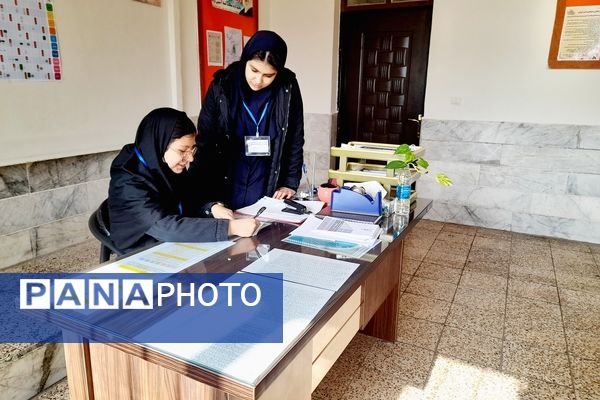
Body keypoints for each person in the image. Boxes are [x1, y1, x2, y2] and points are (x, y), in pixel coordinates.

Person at [108, 107, 258, 254]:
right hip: (142, 250)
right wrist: (229, 228)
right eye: (182, 150)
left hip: (172, 243)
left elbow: (190, 195)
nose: (190, 158)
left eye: (192, 149)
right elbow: (165, 226)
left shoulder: (163, 164)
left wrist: (210, 208)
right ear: (160, 143)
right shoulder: (127, 180)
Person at [191, 30, 304, 210]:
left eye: (268, 75)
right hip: (228, 174)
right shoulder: (222, 85)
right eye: (254, 70)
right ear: (245, 60)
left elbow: (295, 138)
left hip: (266, 176)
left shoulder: (287, 87)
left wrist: (290, 182)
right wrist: (204, 197)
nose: (258, 80)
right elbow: (205, 140)